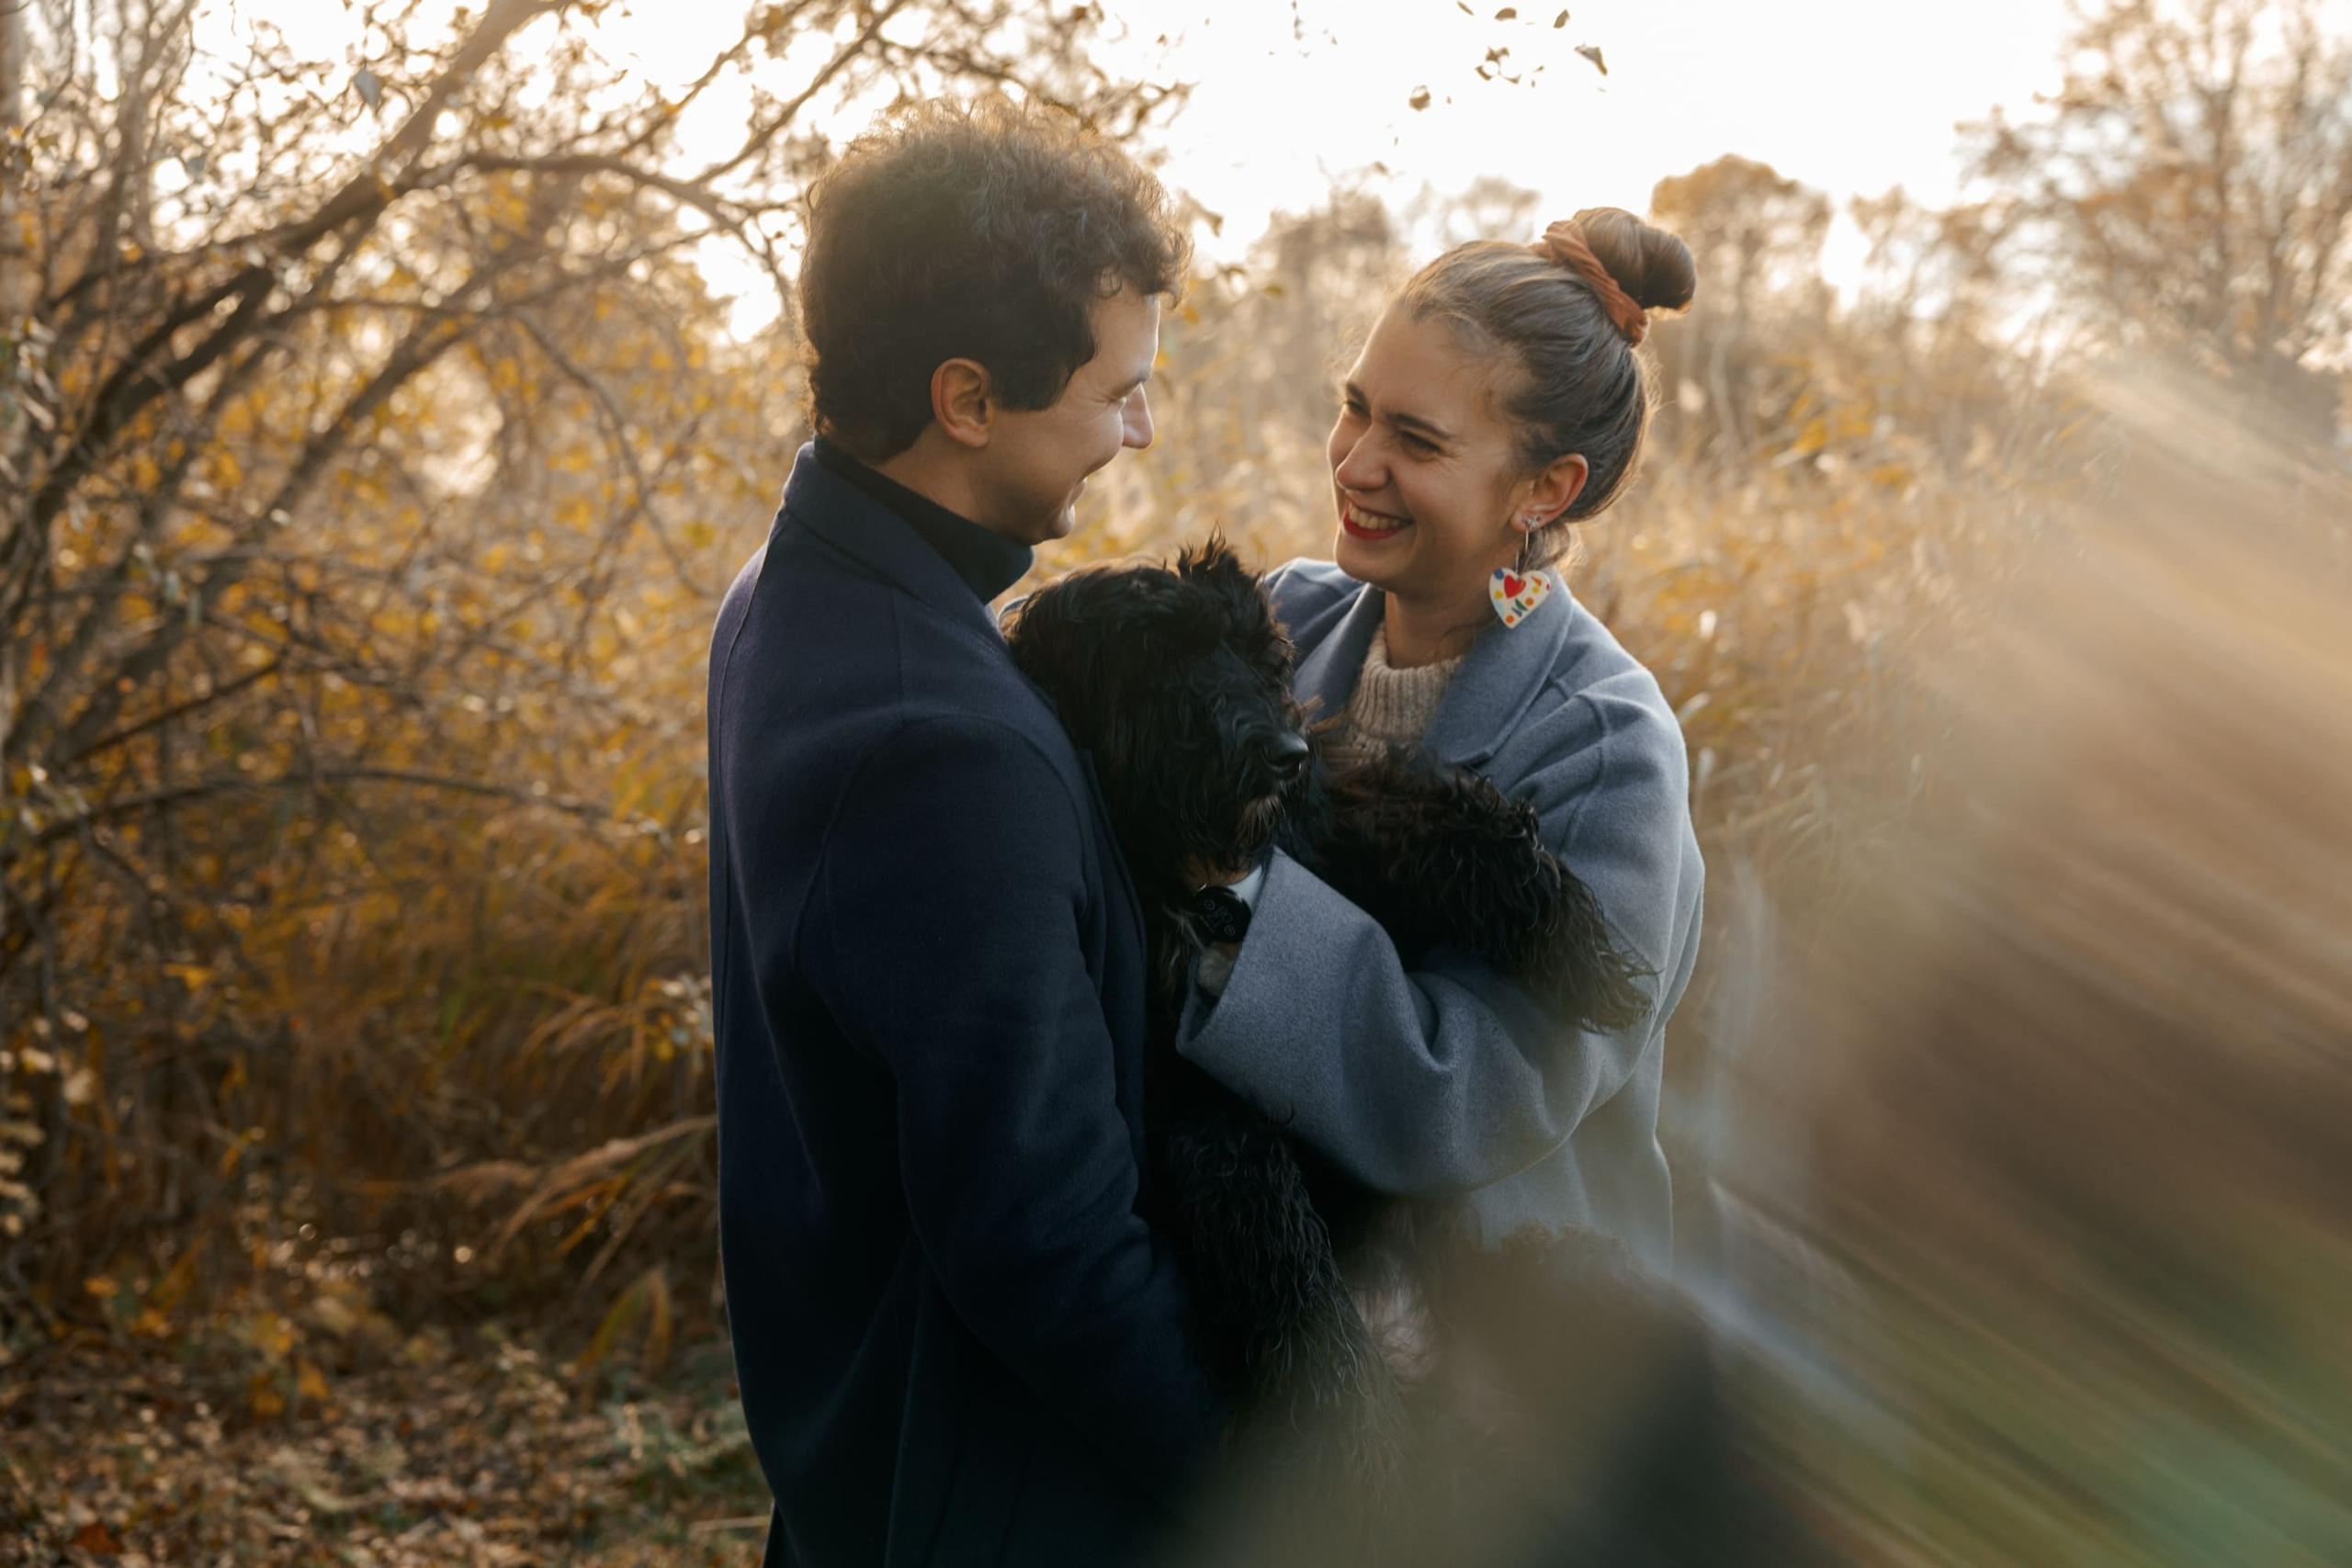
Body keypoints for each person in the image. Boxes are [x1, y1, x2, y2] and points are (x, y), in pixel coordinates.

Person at [705, 98, 1223, 1567]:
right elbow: (1047, 1240)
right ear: (968, 398)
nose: (1140, 426)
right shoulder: (940, 746)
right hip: (989, 1501)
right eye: (1117, 389)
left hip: (864, 1462)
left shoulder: (792, 587)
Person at [1182, 210, 1704, 1274]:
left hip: (1505, 1349)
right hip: (1285, 1298)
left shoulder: (1604, 746)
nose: (1356, 465)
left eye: (1415, 442)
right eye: (1354, 410)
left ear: (1544, 488)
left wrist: (1222, 887)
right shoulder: (1285, 617)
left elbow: (1459, 1100)